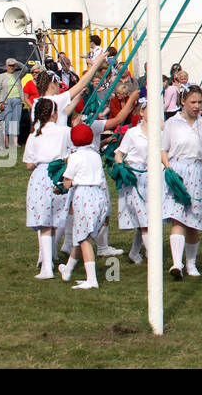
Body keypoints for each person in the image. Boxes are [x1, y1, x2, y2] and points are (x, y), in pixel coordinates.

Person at [162, 85, 202, 279]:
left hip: (197, 172)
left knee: (194, 221)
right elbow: (163, 150)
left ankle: (191, 264)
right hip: (177, 172)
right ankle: (177, 264)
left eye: (200, 102)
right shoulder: (172, 123)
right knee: (178, 218)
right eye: (193, 102)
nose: (197, 106)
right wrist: (168, 169)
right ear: (183, 102)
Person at [57, 123, 110, 290]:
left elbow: (67, 182)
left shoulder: (75, 157)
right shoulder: (95, 155)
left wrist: (61, 183)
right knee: (82, 235)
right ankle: (68, 270)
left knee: (84, 239)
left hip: (84, 196)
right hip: (100, 196)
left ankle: (92, 279)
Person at [23, 98, 71, 279]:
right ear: (53, 113)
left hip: (41, 175)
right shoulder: (65, 131)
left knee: (44, 222)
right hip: (59, 175)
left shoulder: (34, 134)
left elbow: (29, 164)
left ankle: (47, 266)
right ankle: (48, 261)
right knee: (53, 219)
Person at [114, 98, 152, 264]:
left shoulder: (161, 132)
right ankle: (154, 257)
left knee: (147, 218)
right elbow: (119, 153)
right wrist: (121, 166)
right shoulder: (132, 133)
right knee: (145, 220)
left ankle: (135, 252)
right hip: (135, 179)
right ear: (141, 112)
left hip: (153, 178)